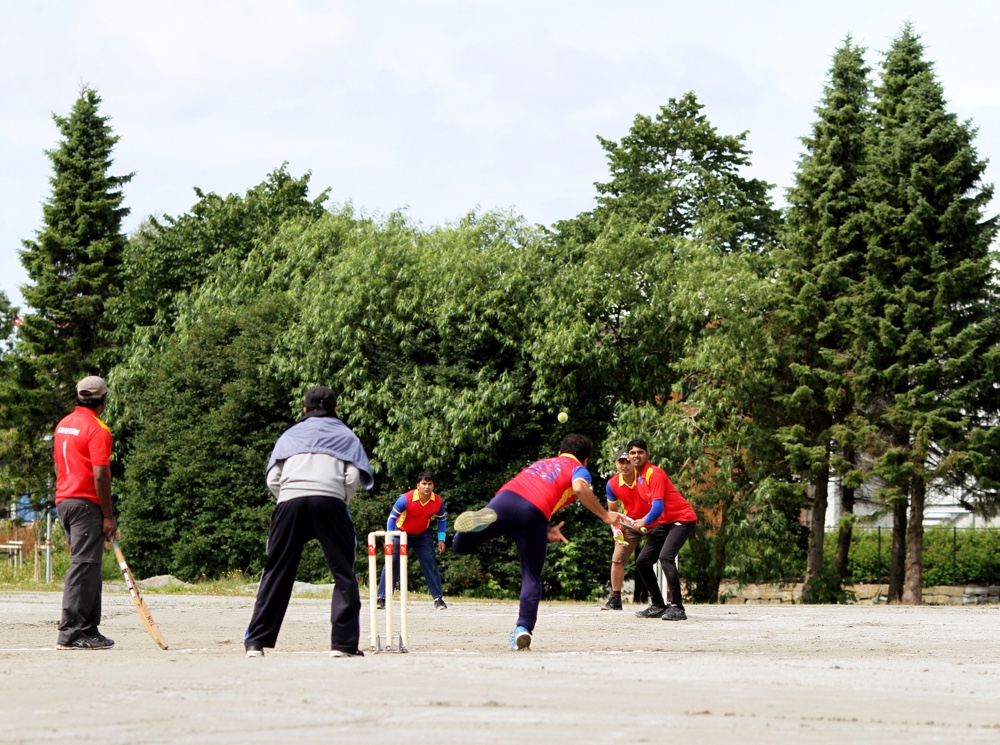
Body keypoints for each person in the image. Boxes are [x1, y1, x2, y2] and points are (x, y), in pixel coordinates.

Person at [452, 434, 621, 650]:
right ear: (585, 460)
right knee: (531, 575)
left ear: (560, 452)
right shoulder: (579, 469)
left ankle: (470, 529)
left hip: (505, 499)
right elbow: (579, 488)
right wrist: (606, 516)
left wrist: (546, 529)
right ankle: (522, 629)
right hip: (534, 512)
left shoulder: (542, 463)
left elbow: (527, 496)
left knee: (461, 547)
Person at [244, 386, 374, 658]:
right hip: (330, 501)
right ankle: (342, 645)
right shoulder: (346, 436)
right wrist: (338, 498)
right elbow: (352, 478)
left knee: (277, 570)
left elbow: (272, 479)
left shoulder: (288, 436)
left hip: (290, 501)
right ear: (334, 409)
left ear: (305, 409)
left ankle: (256, 643)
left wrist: (288, 497)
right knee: (343, 573)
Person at [54, 376, 117, 650]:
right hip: (85, 504)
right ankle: (71, 632)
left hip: (65, 500)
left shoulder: (64, 424)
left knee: (90, 568)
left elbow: (58, 466)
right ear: (103, 400)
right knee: (83, 568)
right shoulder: (97, 429)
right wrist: (108, 515)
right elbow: (101, 477)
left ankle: (89, 629)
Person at [625, 438, 697, 621]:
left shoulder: (654, 473)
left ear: (647, 455)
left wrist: (643, 521)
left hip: (683, 518)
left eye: (640, 452)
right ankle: (658, 605)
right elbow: (653, 511)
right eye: (632, 453)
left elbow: (656, 508)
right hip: (665, 522)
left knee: (666, 557)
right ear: (628, 456)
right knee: (642, 562)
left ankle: (677, 607)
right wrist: (639, 522)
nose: (636, 455)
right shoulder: (638, 478)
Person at [377, 469, 448, 610]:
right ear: (418, 485)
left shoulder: (438, 501)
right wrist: (391, 538)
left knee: (430, 563)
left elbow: (442, 520)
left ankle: (438, 599)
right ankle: (382, 597)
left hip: (422, 535)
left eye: (430, 484)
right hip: (401, 533)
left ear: (433, 486)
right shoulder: (405, 499)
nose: (426, 487)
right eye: (423, 483)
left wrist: (442, 539)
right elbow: (391, 518)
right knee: (392, 562)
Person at [600, 449, 651, 611]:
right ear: (616, 464)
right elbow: (613, 513)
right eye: (621, 462)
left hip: (654, 520)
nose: (625, 465)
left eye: (627, 461)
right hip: (631, 522)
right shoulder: (612, 484)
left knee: (665, 557)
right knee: (617, 558)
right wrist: (616, 530)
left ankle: (671, 599)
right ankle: (616, 599)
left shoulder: (645, 477)